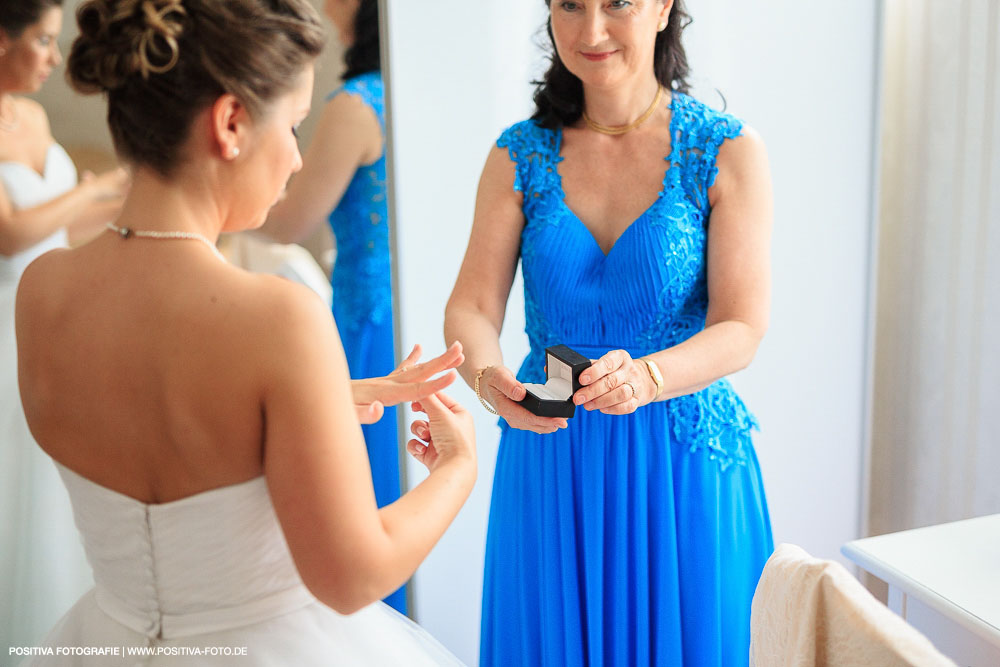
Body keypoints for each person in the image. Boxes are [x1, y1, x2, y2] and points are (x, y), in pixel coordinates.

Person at [15, 0, 474, 664]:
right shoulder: (279, 320)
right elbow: (352, 575)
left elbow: (154, 406)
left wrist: (316, 395)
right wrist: (458, 468)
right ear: (230, 122)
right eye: (292, 124)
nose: (295, 157)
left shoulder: (43, 290)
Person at [444, 0, 774, 664]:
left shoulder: (726, 150)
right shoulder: (518, 156)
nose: (590, 30)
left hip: (682, 467)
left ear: (660, 7)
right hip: (551, 460)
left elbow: (741, 325)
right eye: (569, 4)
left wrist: (650, 377)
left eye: (616, 2)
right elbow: (471, 309)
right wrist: (488, 378)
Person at [260, 0, 405, 612]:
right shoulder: (407, 92)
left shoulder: (356, 105)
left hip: (364, 322)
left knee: (359, 496)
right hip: (404, 310)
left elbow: (291, 220)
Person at [0, 0, 128, 650]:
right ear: (2, 40)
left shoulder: (37, 115)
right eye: (44, 41)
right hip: (5, 321)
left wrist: (120, 213)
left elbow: (56, 228)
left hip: (55, 314)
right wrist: (91, 186)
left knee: (57, 484)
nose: (54, 58)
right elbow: (9, 232)